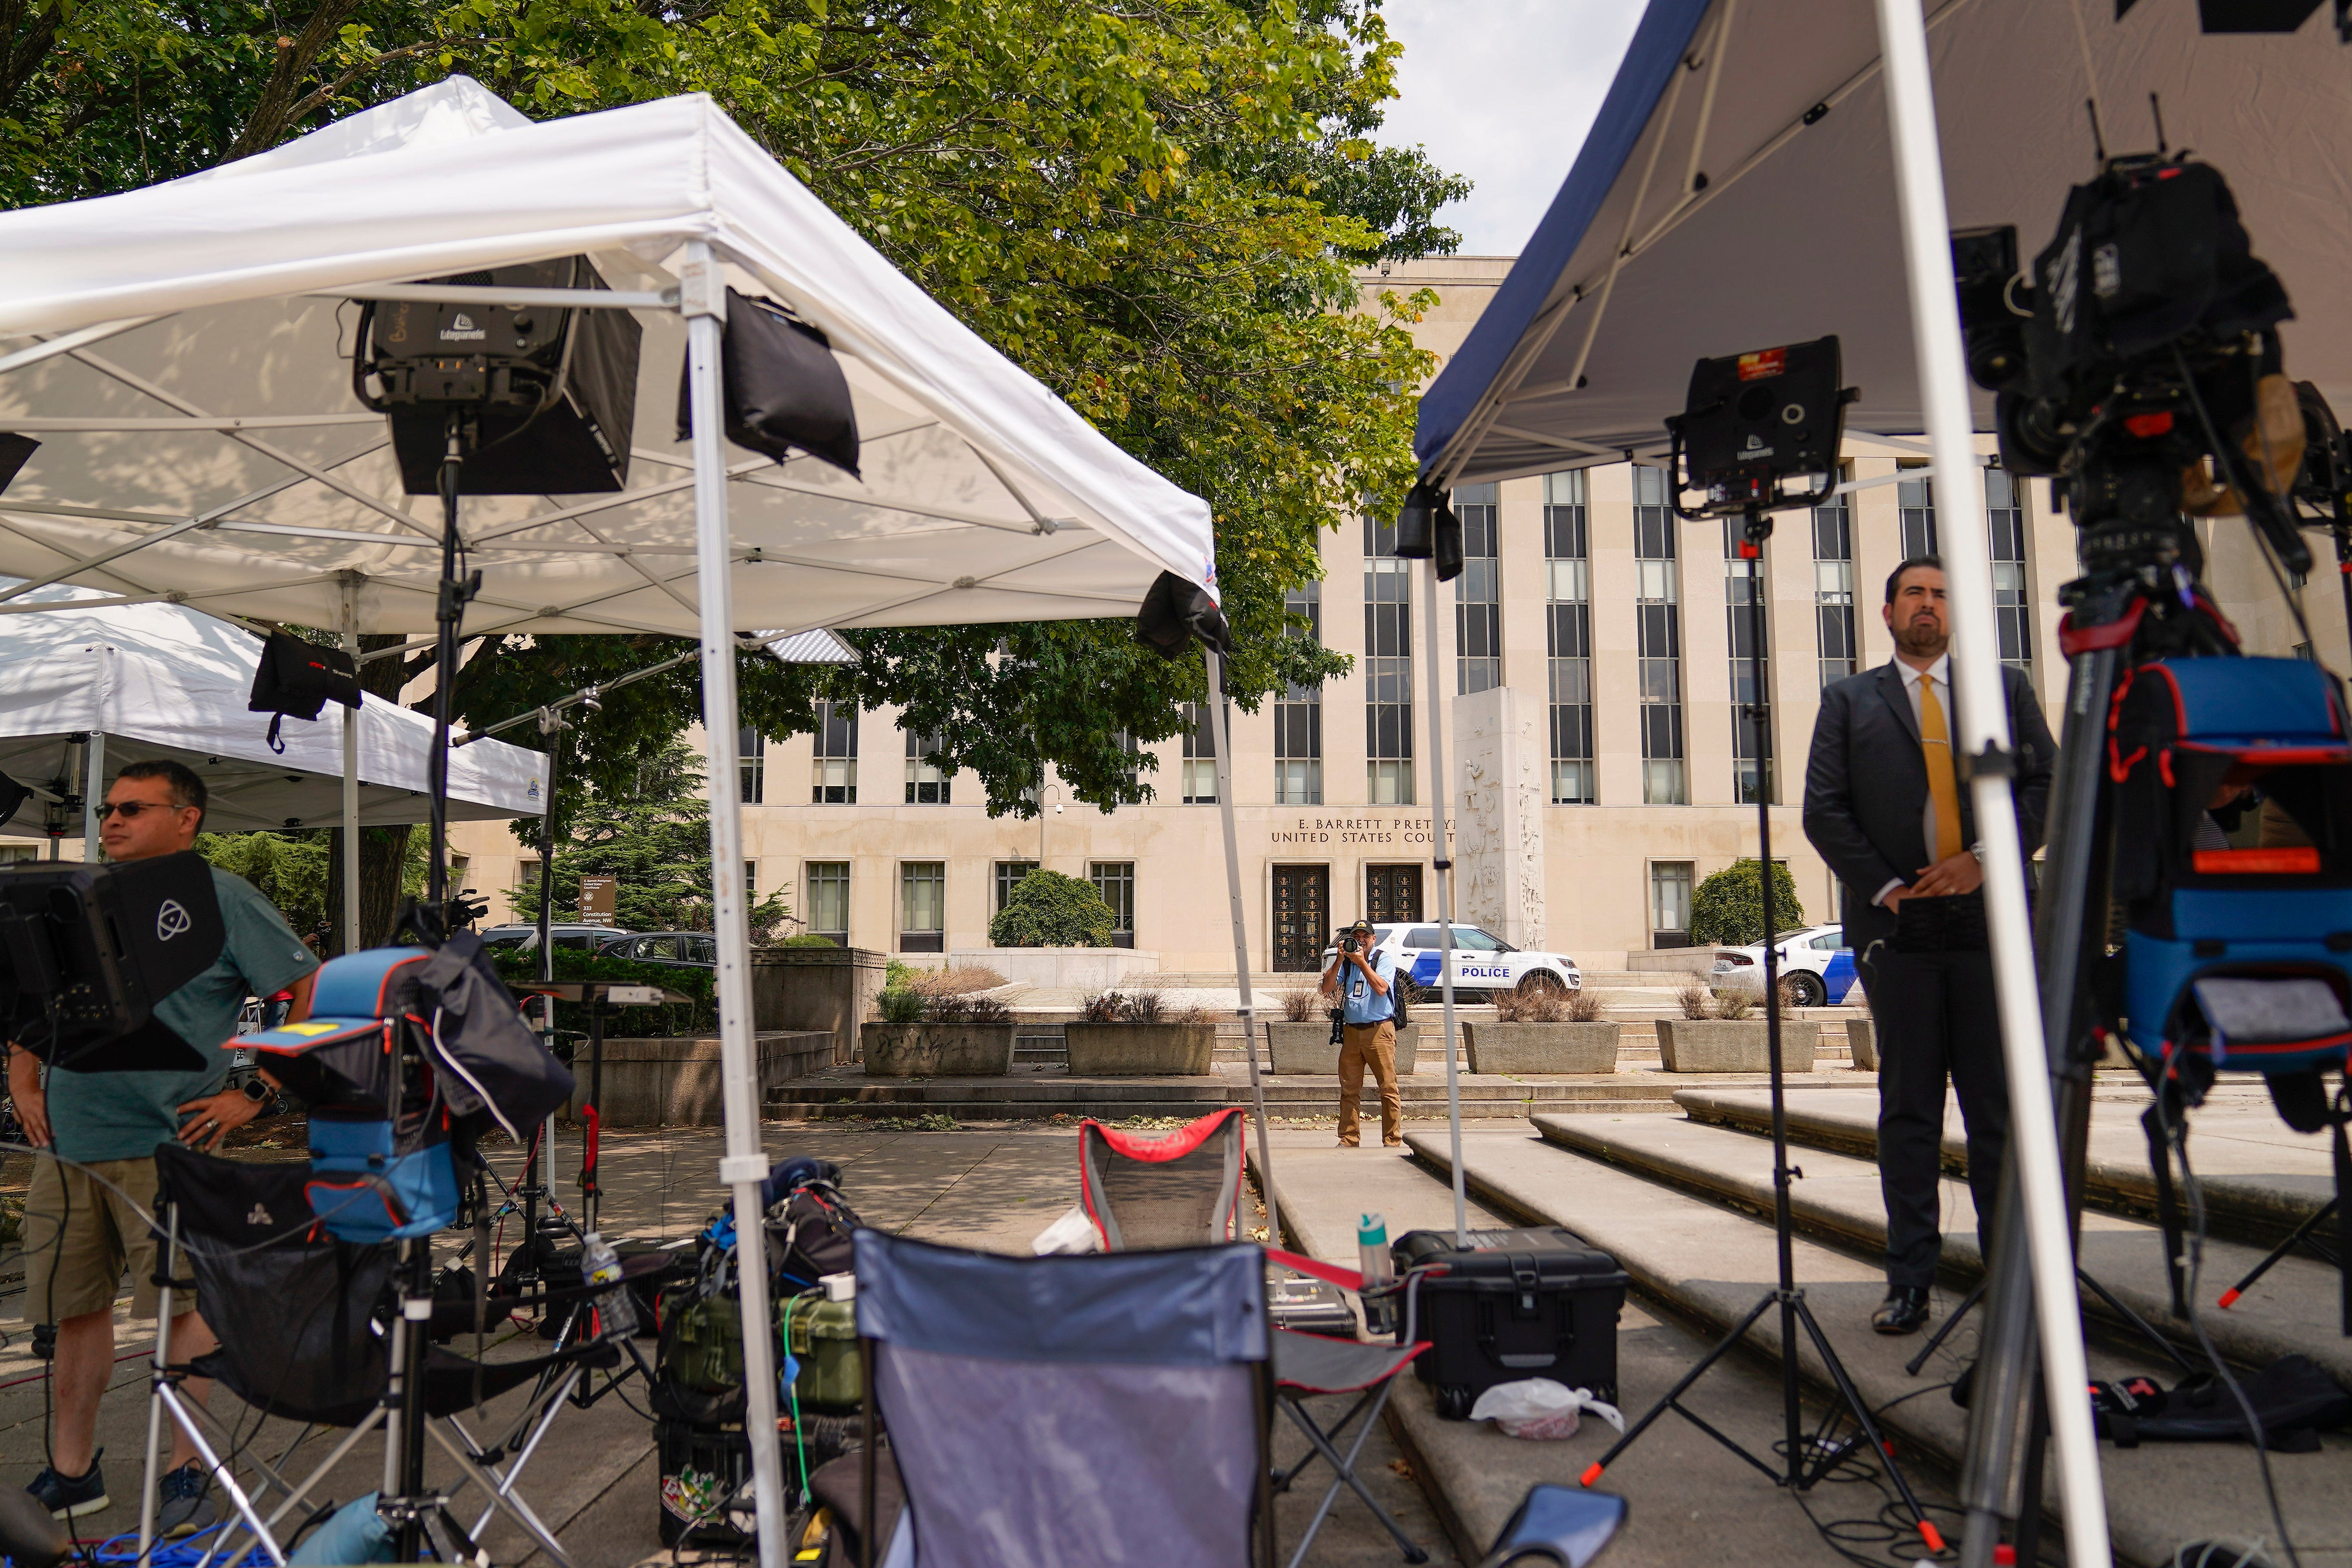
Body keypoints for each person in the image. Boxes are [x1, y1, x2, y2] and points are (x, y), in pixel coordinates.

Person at [8, 761, 320, 1532]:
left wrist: (256, 1092)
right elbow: (29, 990)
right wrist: (22, 1075)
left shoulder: (221, 898)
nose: (111, 821)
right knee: (73, 1312)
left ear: (187, 820)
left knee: (184, 1310)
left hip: (176, 1142)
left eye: (132, 809)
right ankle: (73, 1473)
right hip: (73, 1142)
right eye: (107, 809)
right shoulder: (73, 894)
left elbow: (310, 991)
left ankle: (189, 1471)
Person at [1801, 558, 2055, 1335]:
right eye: (1914, 593)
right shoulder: (1848, 701)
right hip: (1899, 931)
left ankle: (2011, 1277)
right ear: (1886, 613)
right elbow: (1824, 808)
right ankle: (1910, 1279)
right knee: (1908, 1110)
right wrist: (1888, 887)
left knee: (1997, 1111)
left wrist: (1983, 860)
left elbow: (2045, 787)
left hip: (1992, 924)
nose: (1928, 605)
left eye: (1942, 595)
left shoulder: (2003, 692)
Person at [1319, 919, 1400, 1148]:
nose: (1361, 941)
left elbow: (1382, 988)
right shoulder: (1347, 963)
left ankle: (1392, 1140)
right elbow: (1326, 989)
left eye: (1366, 936)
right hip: (1352, 1033)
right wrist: (1339, 960)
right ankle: (1348, 1139)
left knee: (1388, 1088)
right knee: (1349, 1089)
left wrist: (1362, 962)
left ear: (1374, 939)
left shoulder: (1381, 959)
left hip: (1379, 1032)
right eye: (1357, 936)